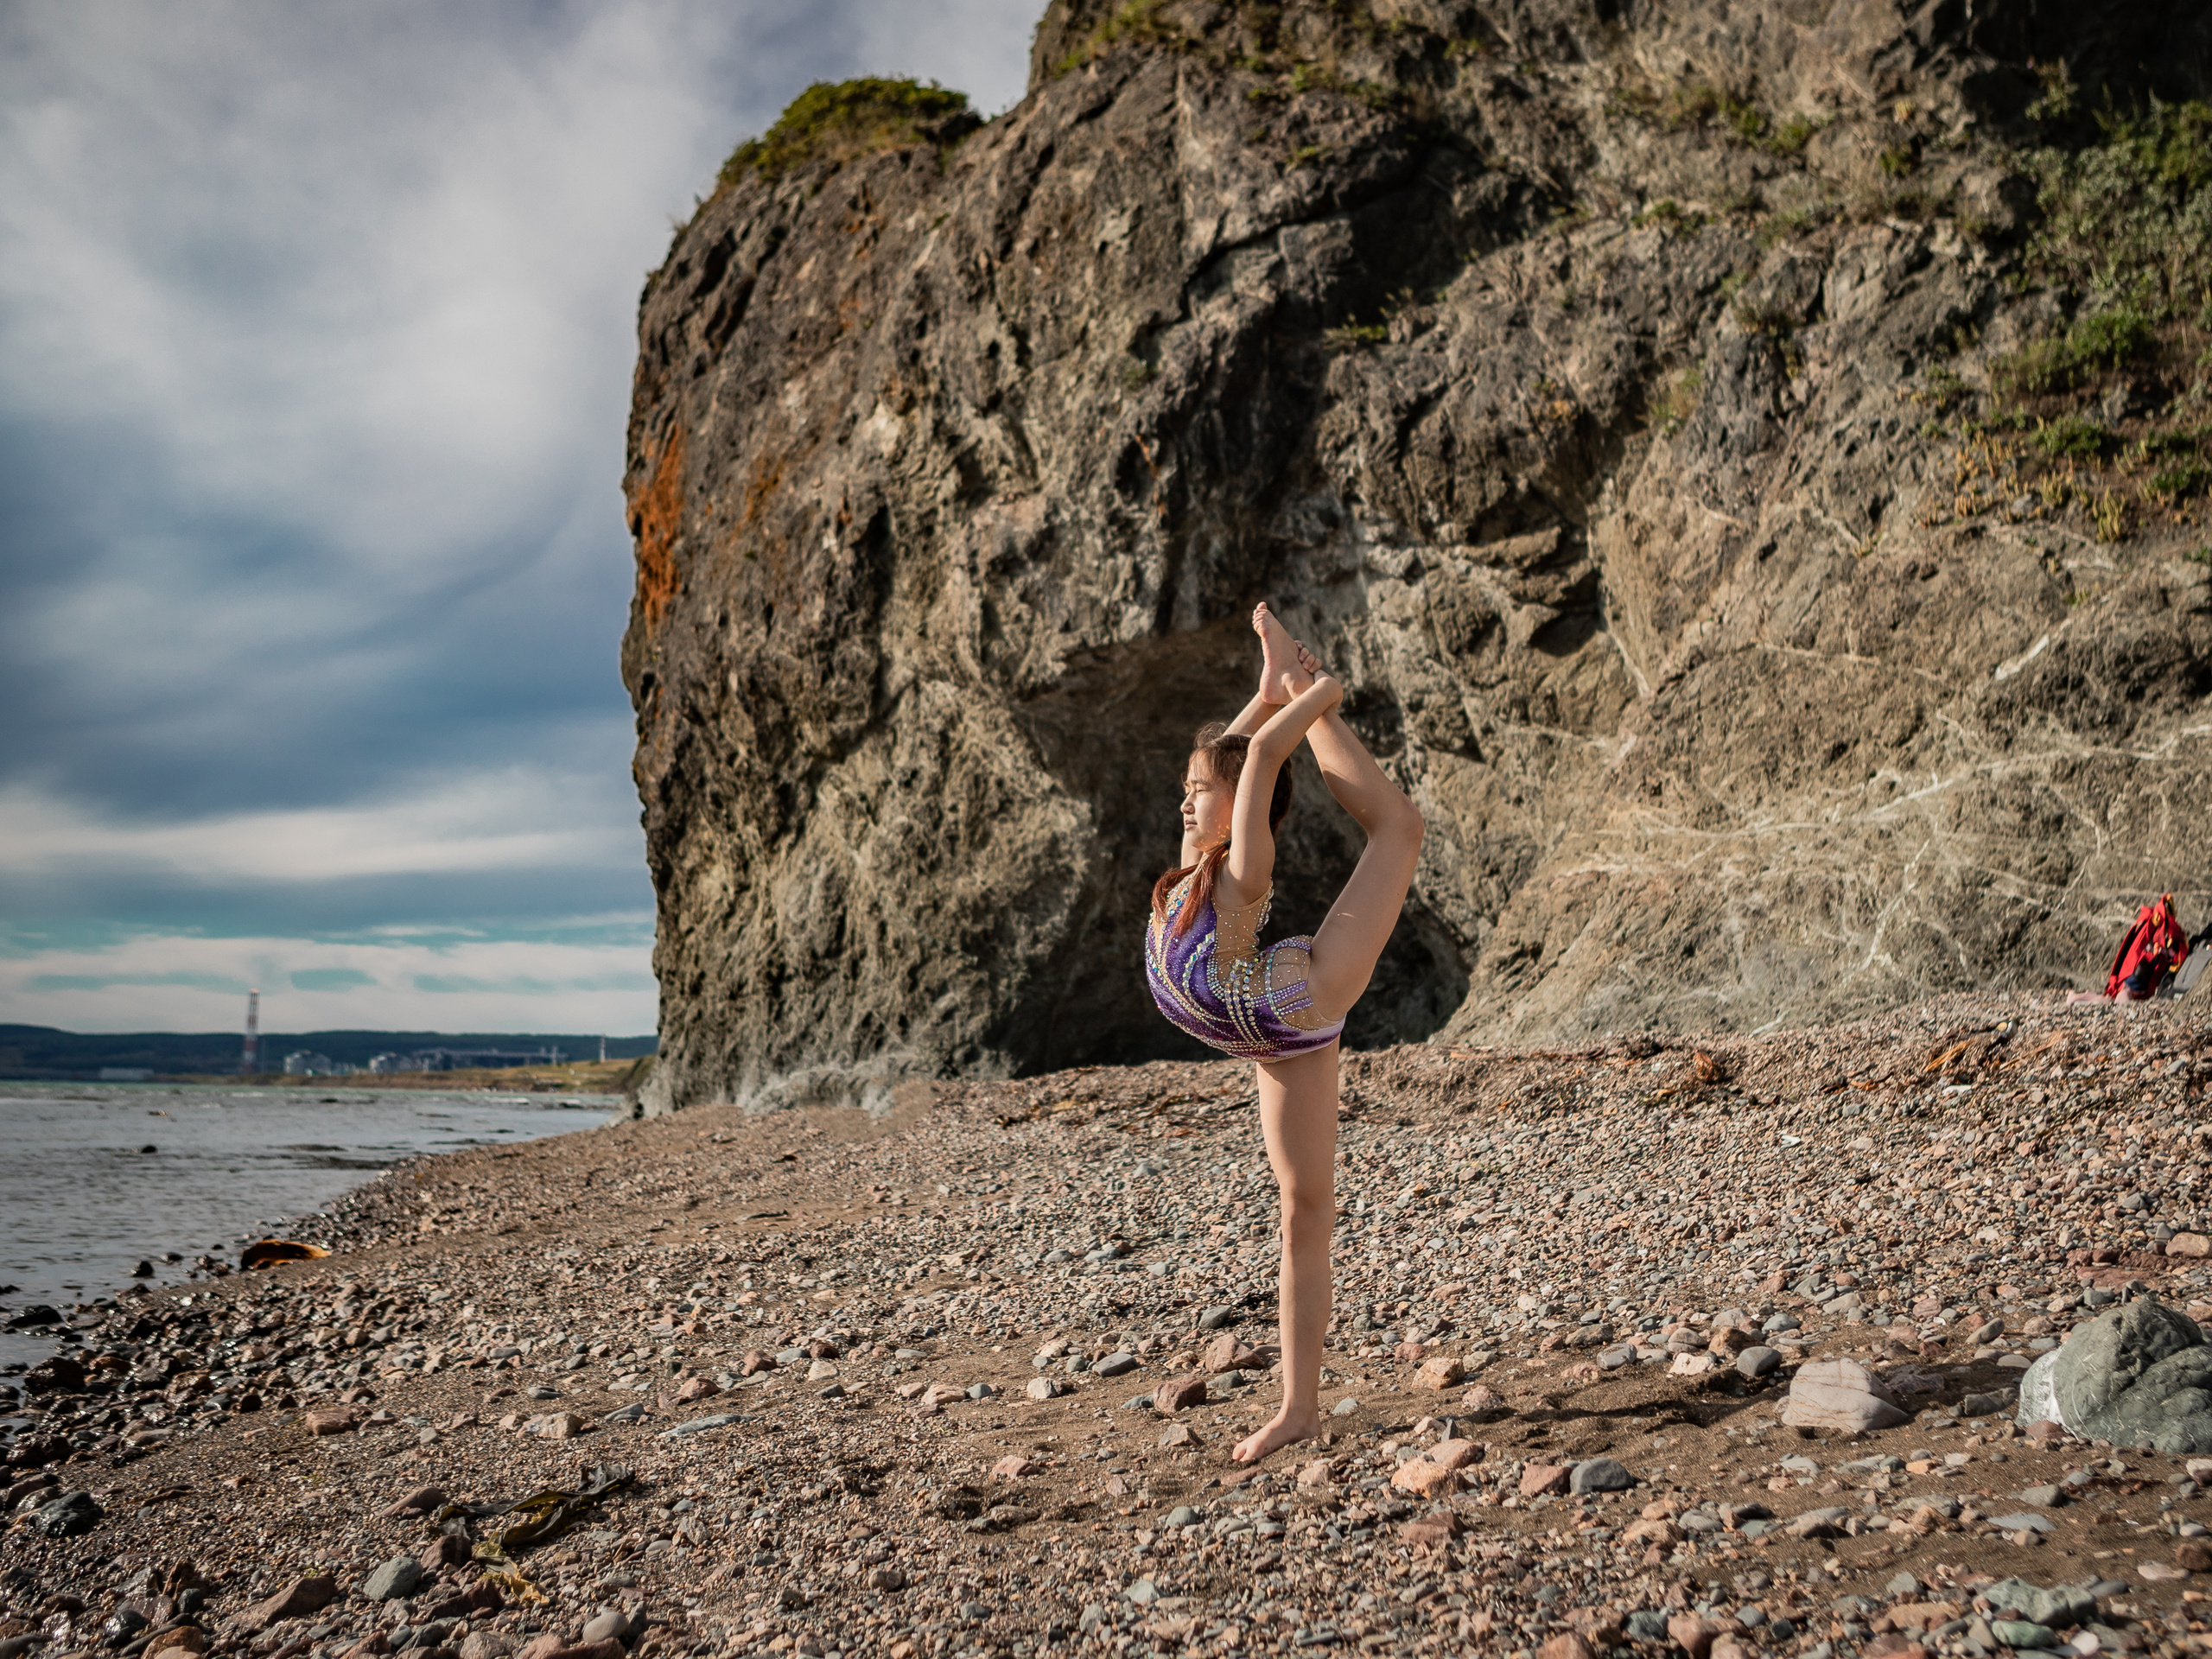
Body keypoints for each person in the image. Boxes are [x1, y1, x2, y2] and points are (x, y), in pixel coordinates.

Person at [1145, 602, 1426, 1463]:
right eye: (1184, 792)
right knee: (1301, 1211)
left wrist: (1315, 699)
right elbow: (1234, 763)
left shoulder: (1239, 875)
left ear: (1240, 812)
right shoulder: (1194, 864)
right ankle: (1298, 1408)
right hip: (1267, 1036)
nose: (1185, 803)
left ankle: (1316, 685)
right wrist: (1264, 692)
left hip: (1301, 999)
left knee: (1400, 828)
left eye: (1198, 795)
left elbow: (1257, 764)